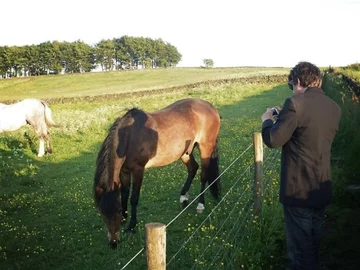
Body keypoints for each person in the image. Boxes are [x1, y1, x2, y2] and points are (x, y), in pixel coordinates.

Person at [261, 61, 341, 270]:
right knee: (313, 241)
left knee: (299, 249)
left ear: (297, 81)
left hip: (298, 191)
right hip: (321, 186)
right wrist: (285, 118)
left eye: (291, 85)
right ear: (318, 81)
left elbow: (273, 140)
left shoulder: (295, 104)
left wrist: (268, 121)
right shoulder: (335, 108)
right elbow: (309, 134)